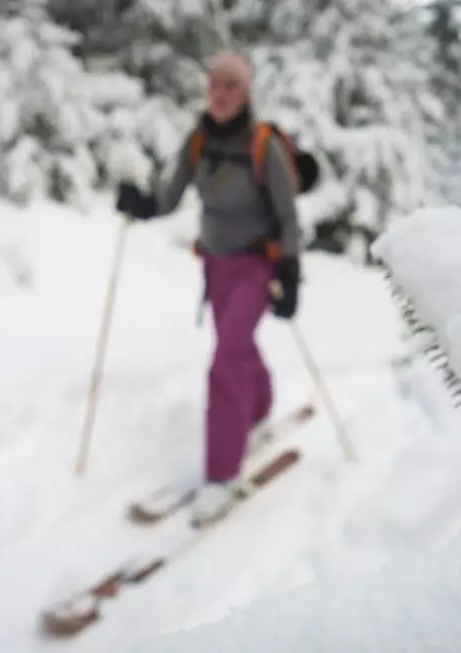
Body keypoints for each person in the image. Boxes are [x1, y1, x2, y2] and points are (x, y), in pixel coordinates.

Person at [115, 50, 303, 527]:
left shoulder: (265, 147)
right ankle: (257, 411)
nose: (221, 95)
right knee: (235, 347)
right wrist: (141, 203)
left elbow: (287, 216)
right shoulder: (198, 143)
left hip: (259, 266)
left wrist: (290, 271)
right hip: (217, 267)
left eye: (231, 86)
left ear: (246, 94)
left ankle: (222, 476)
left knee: (226, 356)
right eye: (215, 85)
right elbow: (169, 195)